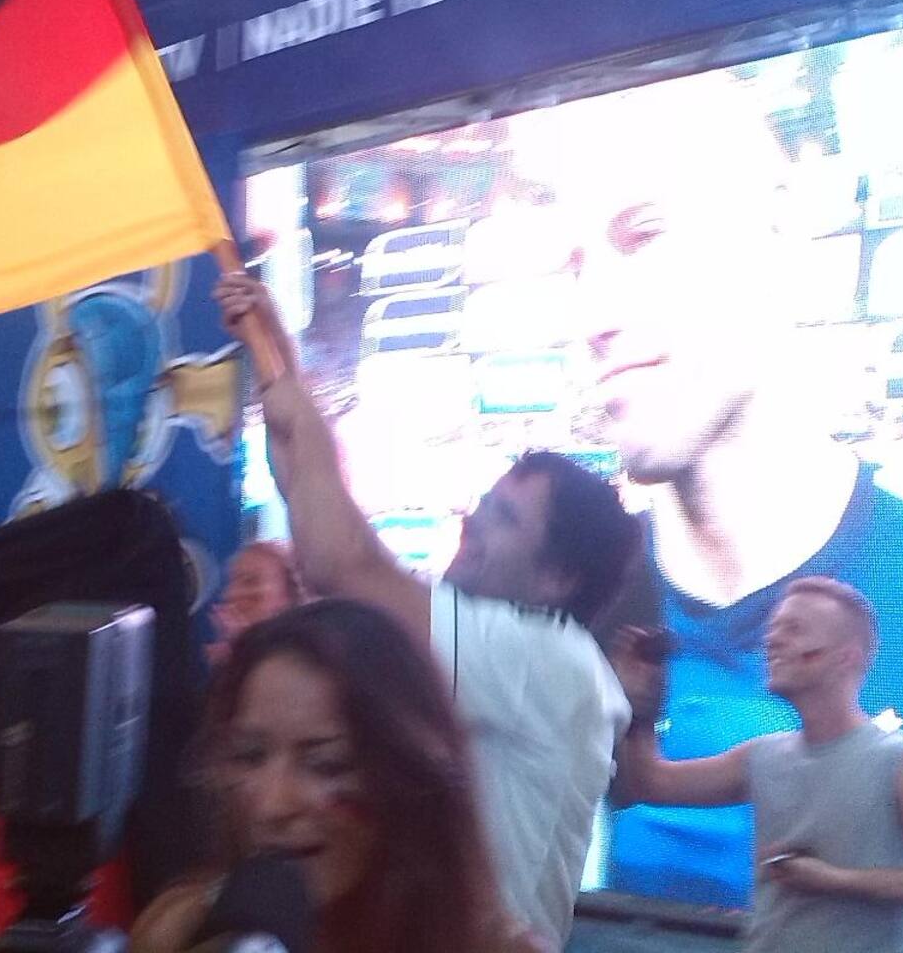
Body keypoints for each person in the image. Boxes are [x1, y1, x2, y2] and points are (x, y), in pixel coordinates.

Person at [540, 70, 903, 904]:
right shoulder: (573, 613)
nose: (594, 314)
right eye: (571, 266)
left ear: (784, 236)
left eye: (645, 235)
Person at [215, 273, 638, 952]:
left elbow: (339, 559)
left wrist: (284, 377)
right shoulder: (497, 647)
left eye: (503, 519)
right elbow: (326, 524)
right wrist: (274, 361)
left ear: (559, 578)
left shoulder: (548, 661)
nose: (473, 522)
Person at [130, 598, 543, 953]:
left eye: (326, 765)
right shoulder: (180, 933)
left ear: (411, 780)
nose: (272, 806)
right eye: (249, 756)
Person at [610, 577, 903, 950]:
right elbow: (651, 783)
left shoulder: (900, 762)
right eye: (772, 629)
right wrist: (641, 707)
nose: (772, 641)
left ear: (846, 656)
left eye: (794, 629)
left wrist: (834, 880)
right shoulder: (765, 756)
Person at [206, 540, 304, 667]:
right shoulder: (226, 659)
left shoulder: (307, 660)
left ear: (289, 593)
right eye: (232, 581)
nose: (231, 594)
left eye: (250, 581)